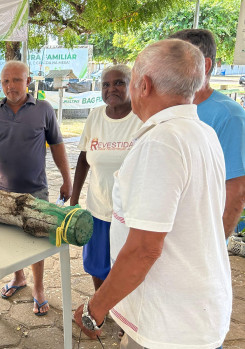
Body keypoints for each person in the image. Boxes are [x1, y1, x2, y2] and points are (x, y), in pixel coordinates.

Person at [73, 39, 231, 348]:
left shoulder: (161, 142)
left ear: (143, 85)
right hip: (195, 311)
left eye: (129, 82)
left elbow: (145, 249)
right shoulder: (202, 132)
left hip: (171, 325)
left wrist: (94, 310)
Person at [0, 60, 73, 316]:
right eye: (5, 81)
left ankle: (38, 287)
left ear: (28, 81)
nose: (11, 86)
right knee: (10, 239)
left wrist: (67, 179)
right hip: (2, 190)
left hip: (36, 190)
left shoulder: (44, 109)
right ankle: (18, 278)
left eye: (16, 80)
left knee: (35, 242)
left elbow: (57, 146)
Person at [70, 65, 142, 293]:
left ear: (132, 85)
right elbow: (83, 159)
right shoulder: (95, 116)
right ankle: (102, 307)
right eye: (106, 84)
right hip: (97, 209)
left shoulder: (142, 118)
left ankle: (125, 317)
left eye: (119, 82)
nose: (112, 89)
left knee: (127, 267)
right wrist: (73, 200)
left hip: (131, 214)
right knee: (96, 265)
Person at [169, 29, 245, 238]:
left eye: (176, 60)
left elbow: (236, 192)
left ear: (206, 65)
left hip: (199, 240)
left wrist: (215, 245)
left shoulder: (229, 115)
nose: (167, 69)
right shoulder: (166, 109)